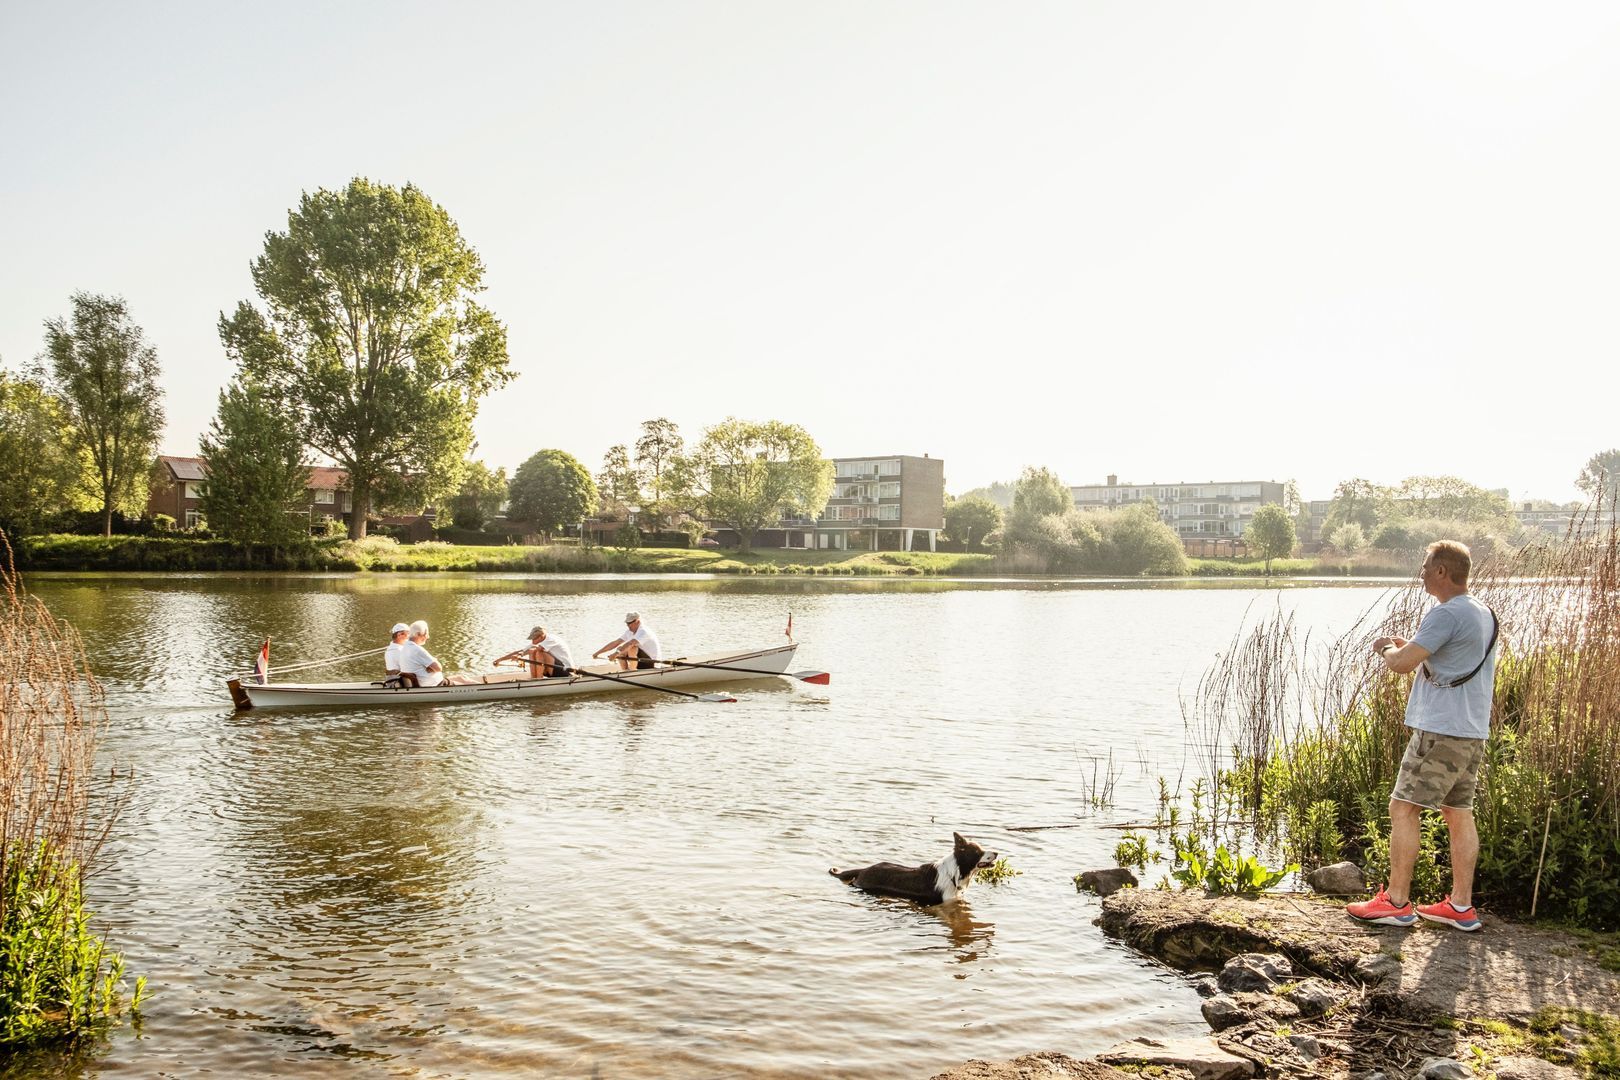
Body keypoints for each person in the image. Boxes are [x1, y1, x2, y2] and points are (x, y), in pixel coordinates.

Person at [1347, 540, 1499, 933]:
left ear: (1443, 572)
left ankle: (1396, 902)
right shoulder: (1483, 613)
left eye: (1426, 566)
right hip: (1470, 731)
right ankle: (1461, 906)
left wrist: (1385, 649)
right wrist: (1408, 648)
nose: (1422, 572)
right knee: (1458, 812)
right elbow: (1443, 659)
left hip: (1440, 730)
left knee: (1403, 808)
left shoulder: (1445, 614)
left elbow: (1400, 665)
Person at [399, 620, 481, 687]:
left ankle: (485, 686)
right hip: (435, 684)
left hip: (432, 682)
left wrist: (429, 668)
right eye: (426, 633)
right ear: (418, 634)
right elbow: (438, 668)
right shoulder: (417, 650)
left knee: (462, 677)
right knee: (467, 683)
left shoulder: (405, 647)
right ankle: (487, 689)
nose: (428, 637)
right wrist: (430, 667)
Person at [495, 626, 574, 678]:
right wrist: (500, 659)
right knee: (532, 651)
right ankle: (534, 679)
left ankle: (538, 680)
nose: (532, 641)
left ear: (541, 636)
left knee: (537, 652)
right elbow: (521, 651)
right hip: (553, 670)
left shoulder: (551, 639)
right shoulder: (538, 642)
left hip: (565, 671)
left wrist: (520, 655)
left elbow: (535, 649)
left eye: (534, 639)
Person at [593, 612, 661, 670]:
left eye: (630, 623)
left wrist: (615, 654)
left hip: (652, 663)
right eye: (627, 623)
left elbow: (631, 643)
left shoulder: (644, 631)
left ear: (638, 621)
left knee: (632, 647)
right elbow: (615, 643)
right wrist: (598, 653)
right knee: (620, 648)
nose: (628, 625)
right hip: (640, 661)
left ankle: (632, 672)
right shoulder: (629, 632)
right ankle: (625, 672)